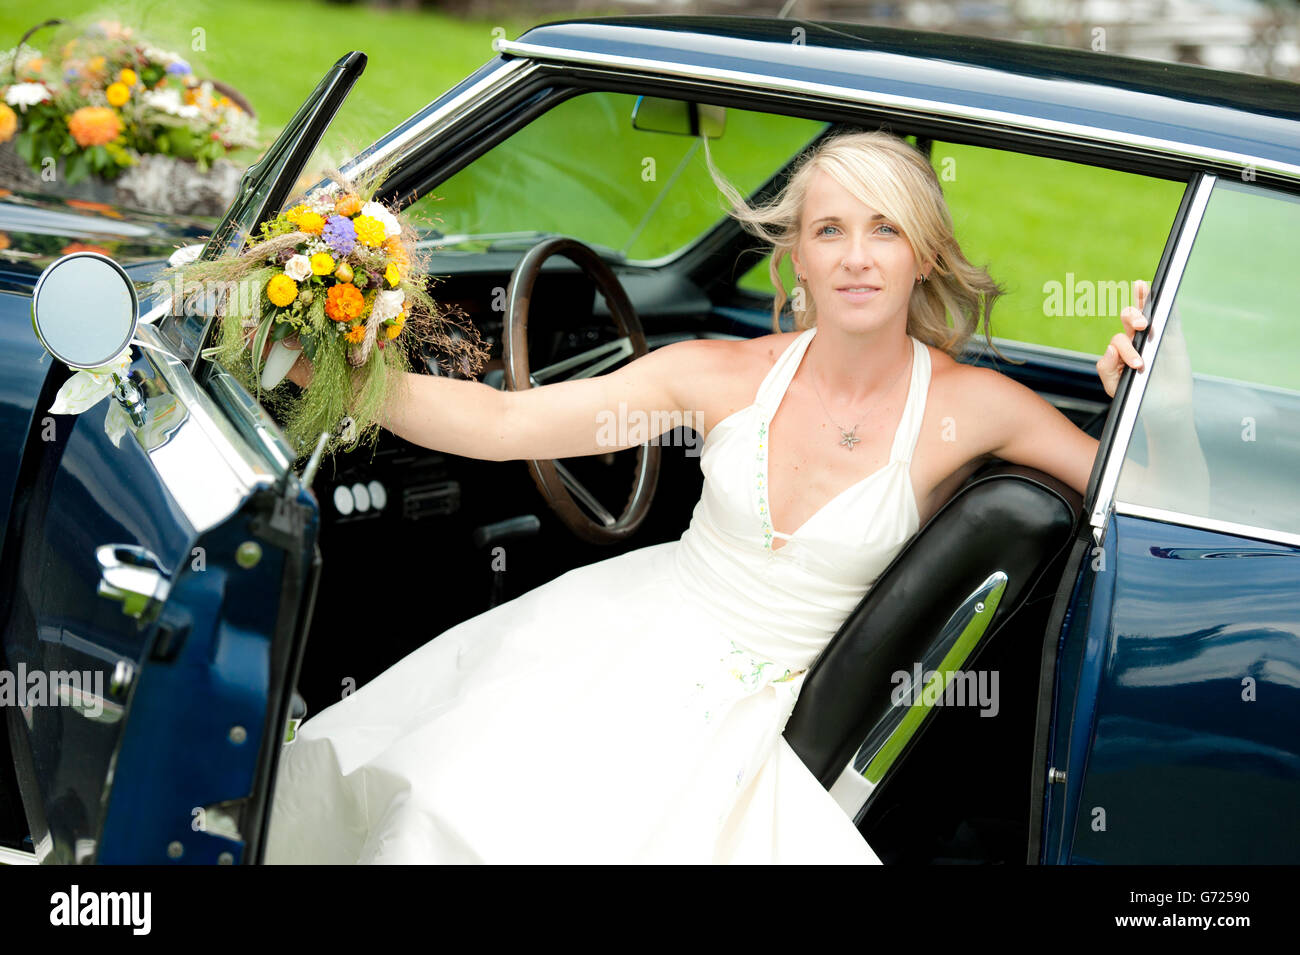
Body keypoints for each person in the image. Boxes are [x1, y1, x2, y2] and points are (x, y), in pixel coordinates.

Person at [261, 130, 1165, 864]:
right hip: (624, 641)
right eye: (830, 231)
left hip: (770, 714)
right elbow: (504, 424)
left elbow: (1146, 501)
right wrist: (341, 373)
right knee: (446, 811)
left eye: (885, 230)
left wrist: (1162, 394)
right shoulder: (718, 373)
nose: (857, 259)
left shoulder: (975, 409)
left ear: (924, 252)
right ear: (796, 257)